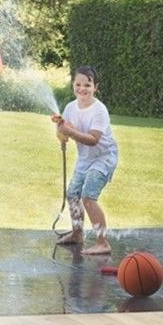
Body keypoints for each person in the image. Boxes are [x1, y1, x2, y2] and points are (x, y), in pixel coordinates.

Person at [53, 66, 119, 256]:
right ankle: (77, 233)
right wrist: (61, 129)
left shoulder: (99, 110)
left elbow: (93, 139)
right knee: (73, 194)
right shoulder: (70, 108)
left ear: (95, 87)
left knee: (88, 196)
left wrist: (70, 131)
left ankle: (103, 243)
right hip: (86, 158)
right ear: (73, 85)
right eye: (78, 84)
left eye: (87, 85)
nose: (82, 89)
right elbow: (65, 131)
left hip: (104, 157)